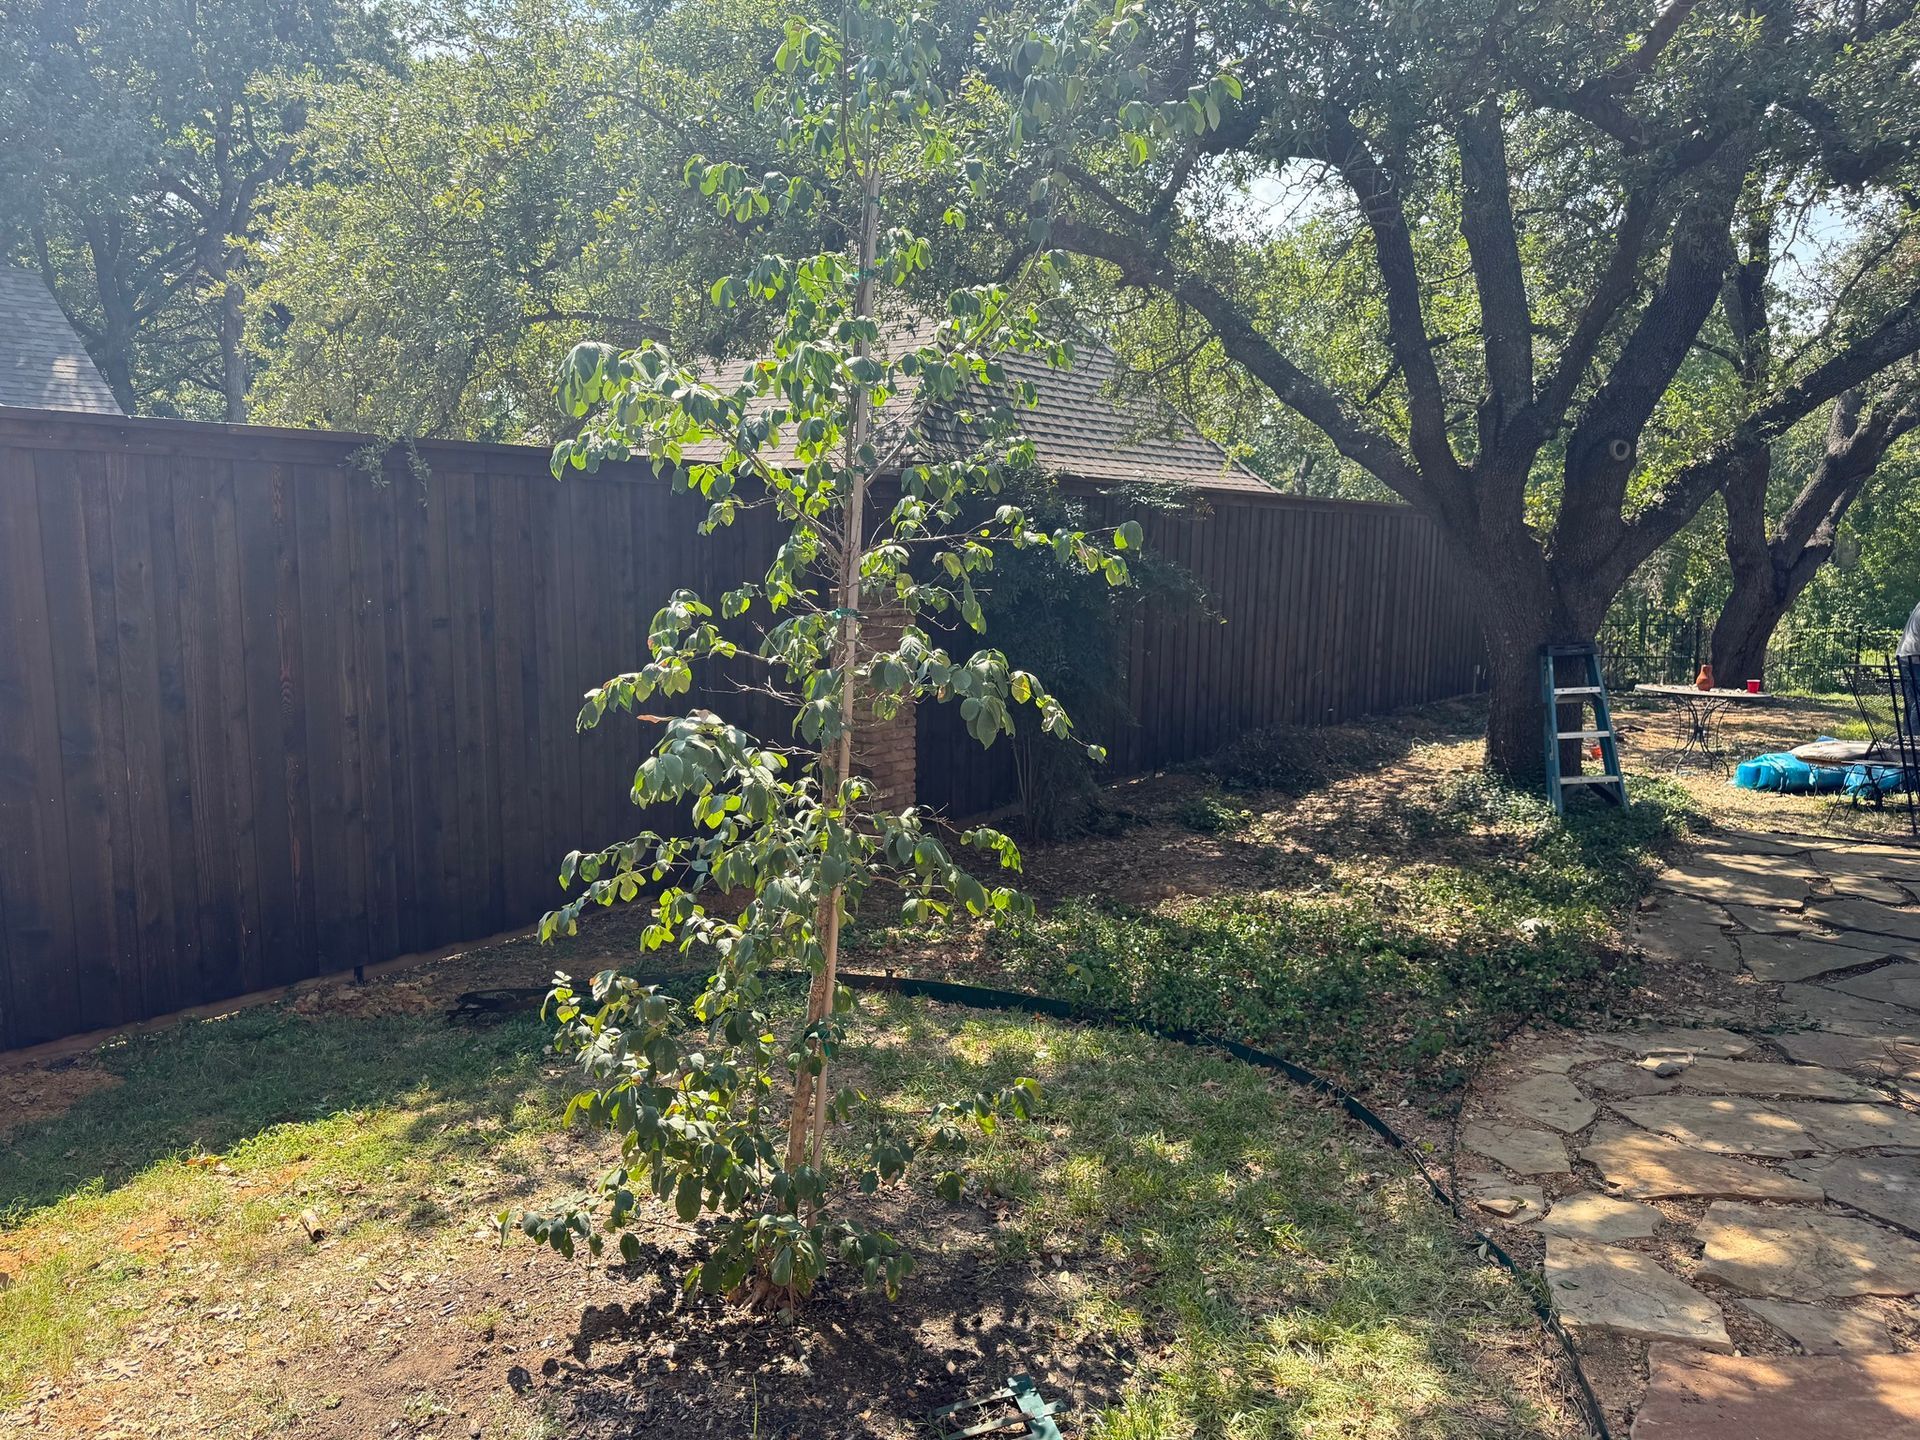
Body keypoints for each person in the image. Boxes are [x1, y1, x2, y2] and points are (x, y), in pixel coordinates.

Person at [1901, 597, 1920, 738]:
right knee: (1917, 701)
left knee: (1912, 700)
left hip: (1906, 655)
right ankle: (1916, 739)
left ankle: (1907, 738)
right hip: (1914, 657)